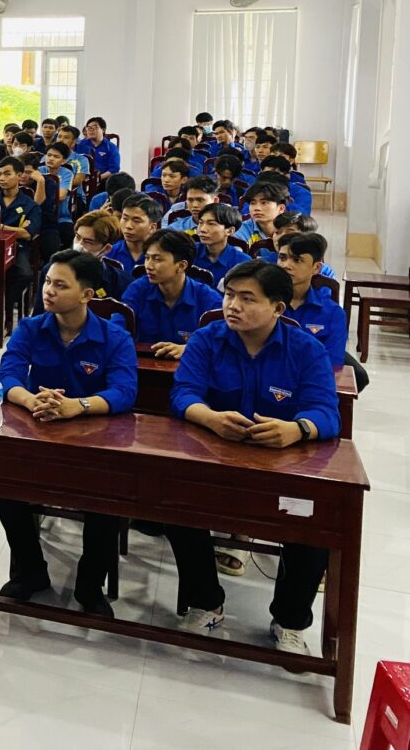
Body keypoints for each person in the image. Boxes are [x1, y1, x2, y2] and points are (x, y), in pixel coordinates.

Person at [165, 260, 339, 654]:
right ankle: (206, 602)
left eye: (247, 299)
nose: (233, 306)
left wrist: (297, 429)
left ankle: (289, 621)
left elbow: (326, 412)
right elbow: (182, 394)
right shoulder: (207, 339)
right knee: (174, 508)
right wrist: (209, 417)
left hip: (282, 464)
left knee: (316, 529)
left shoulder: (306, 350)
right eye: (229, 295)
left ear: (278, 308)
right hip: (214, 456)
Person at [0, 250, 137, 616]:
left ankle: (89, 585)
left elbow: (124, 392)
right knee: (3, 488)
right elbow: (8, 374)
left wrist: (78, 406)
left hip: (94, 442)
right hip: (39, 431)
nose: (48, 291)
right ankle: (31, 572)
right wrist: (30, 400)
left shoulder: (114, 337)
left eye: (60, 285)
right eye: (47, 282)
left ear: (87, 294)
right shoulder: (30, 328)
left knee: (107, 501)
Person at [120, 229, 221, 356]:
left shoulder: (207, 298)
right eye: (147, 258)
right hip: (141, 364)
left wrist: (190, 348)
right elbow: (117, 328)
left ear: (182, 265)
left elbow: (222, 340)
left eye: (157, 259)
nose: (148, 266)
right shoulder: (138, 290)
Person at [276, 233, 348, 367]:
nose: (286, 265)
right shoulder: (262, 304)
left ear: (316, 268)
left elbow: (332, 364)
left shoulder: (333, 314)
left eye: (297, 260)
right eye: (282, 258)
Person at [0, 157, 40, 310]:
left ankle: (3, 306)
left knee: (25, 273)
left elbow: (26, 234)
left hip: (17, 247)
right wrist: (15, 229)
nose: (1, 178)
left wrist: (0, 227)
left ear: (19, 176)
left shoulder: (30, 204)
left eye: (7, 174)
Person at [193, 202, 250, 287]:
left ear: (230, 231)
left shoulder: (242, 262)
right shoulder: (190, 251)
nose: (202, 229)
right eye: (201, 223)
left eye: (211, 224)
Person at [108, 194, 161, 279]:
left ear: (152, 227)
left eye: (136, 221)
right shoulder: (109, 254)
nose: (128, 226)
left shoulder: (161, 256)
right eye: (125, 218)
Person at [237, 179, 289, 245]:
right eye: (253, 203)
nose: (257, 208)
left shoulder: (292, 230)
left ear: (281, 208)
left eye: (264, 203)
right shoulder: (241, 230)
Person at [75, 116, 121, 181]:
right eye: (89, 128)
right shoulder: (80, 145)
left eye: (95, 127)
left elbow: (114, 169)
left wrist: (97, 179)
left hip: (103, 179)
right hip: (82, 179)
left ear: (103, 130)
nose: (91, 130)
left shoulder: (111, 147)